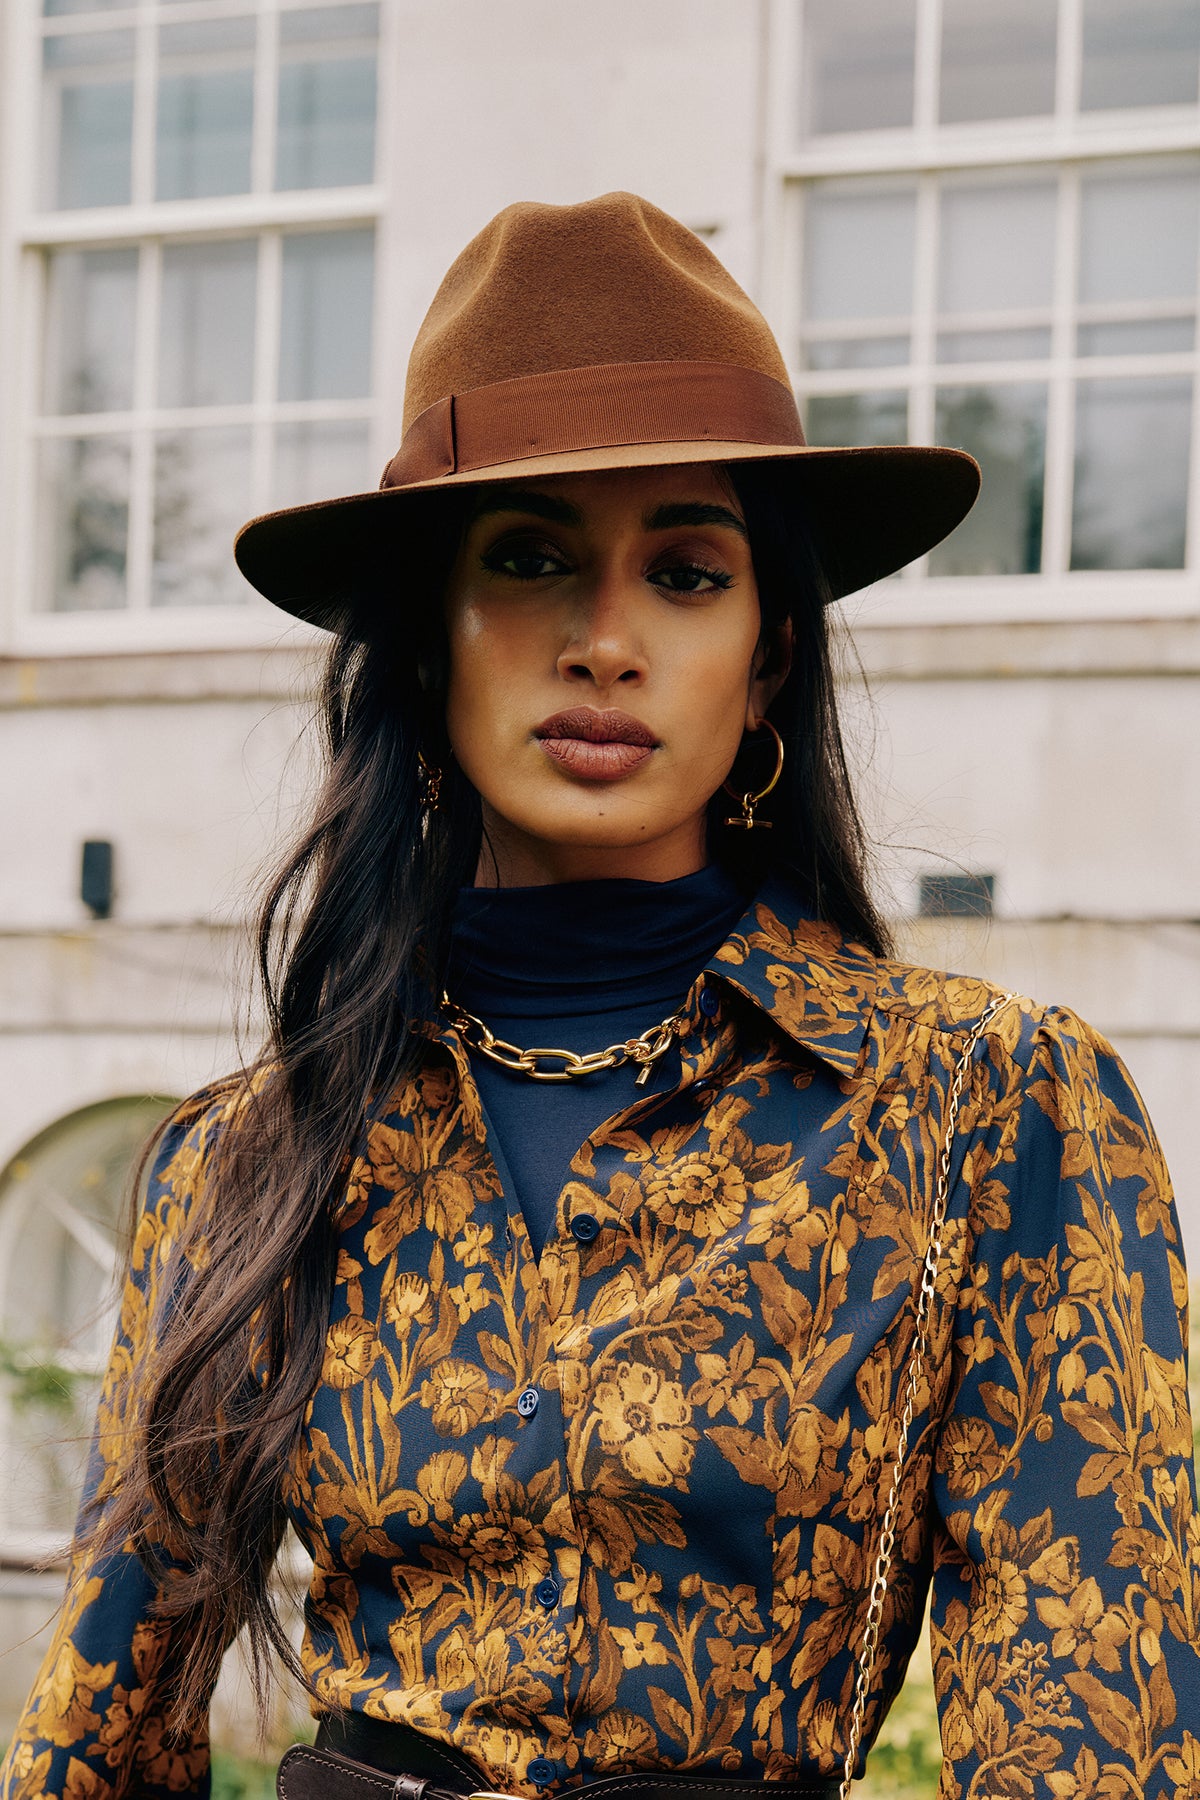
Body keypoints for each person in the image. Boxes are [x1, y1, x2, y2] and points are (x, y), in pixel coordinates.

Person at [2, 193, 1197, 1800]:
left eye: (689, 573)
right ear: (433, 639)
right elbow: (96, 1740)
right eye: (532, 557)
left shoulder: (986, 1110)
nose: (607, 641)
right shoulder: (243, 1162)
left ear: (769, 656)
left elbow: (1094, 1738)